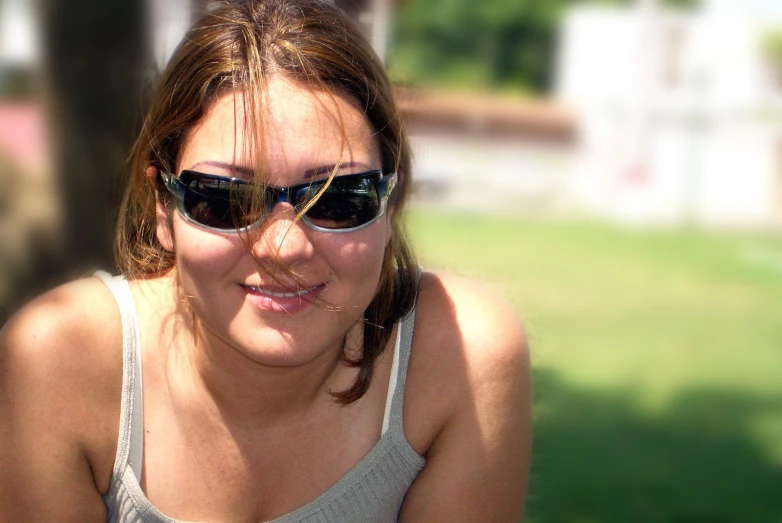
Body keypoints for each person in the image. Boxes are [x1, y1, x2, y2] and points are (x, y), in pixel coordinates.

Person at [0, 0, 531, 521]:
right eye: (227, 198)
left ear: (389, 206)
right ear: (163, 208)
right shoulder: (60, 358)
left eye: (339, 198)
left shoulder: (462, 355)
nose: (284, 247)